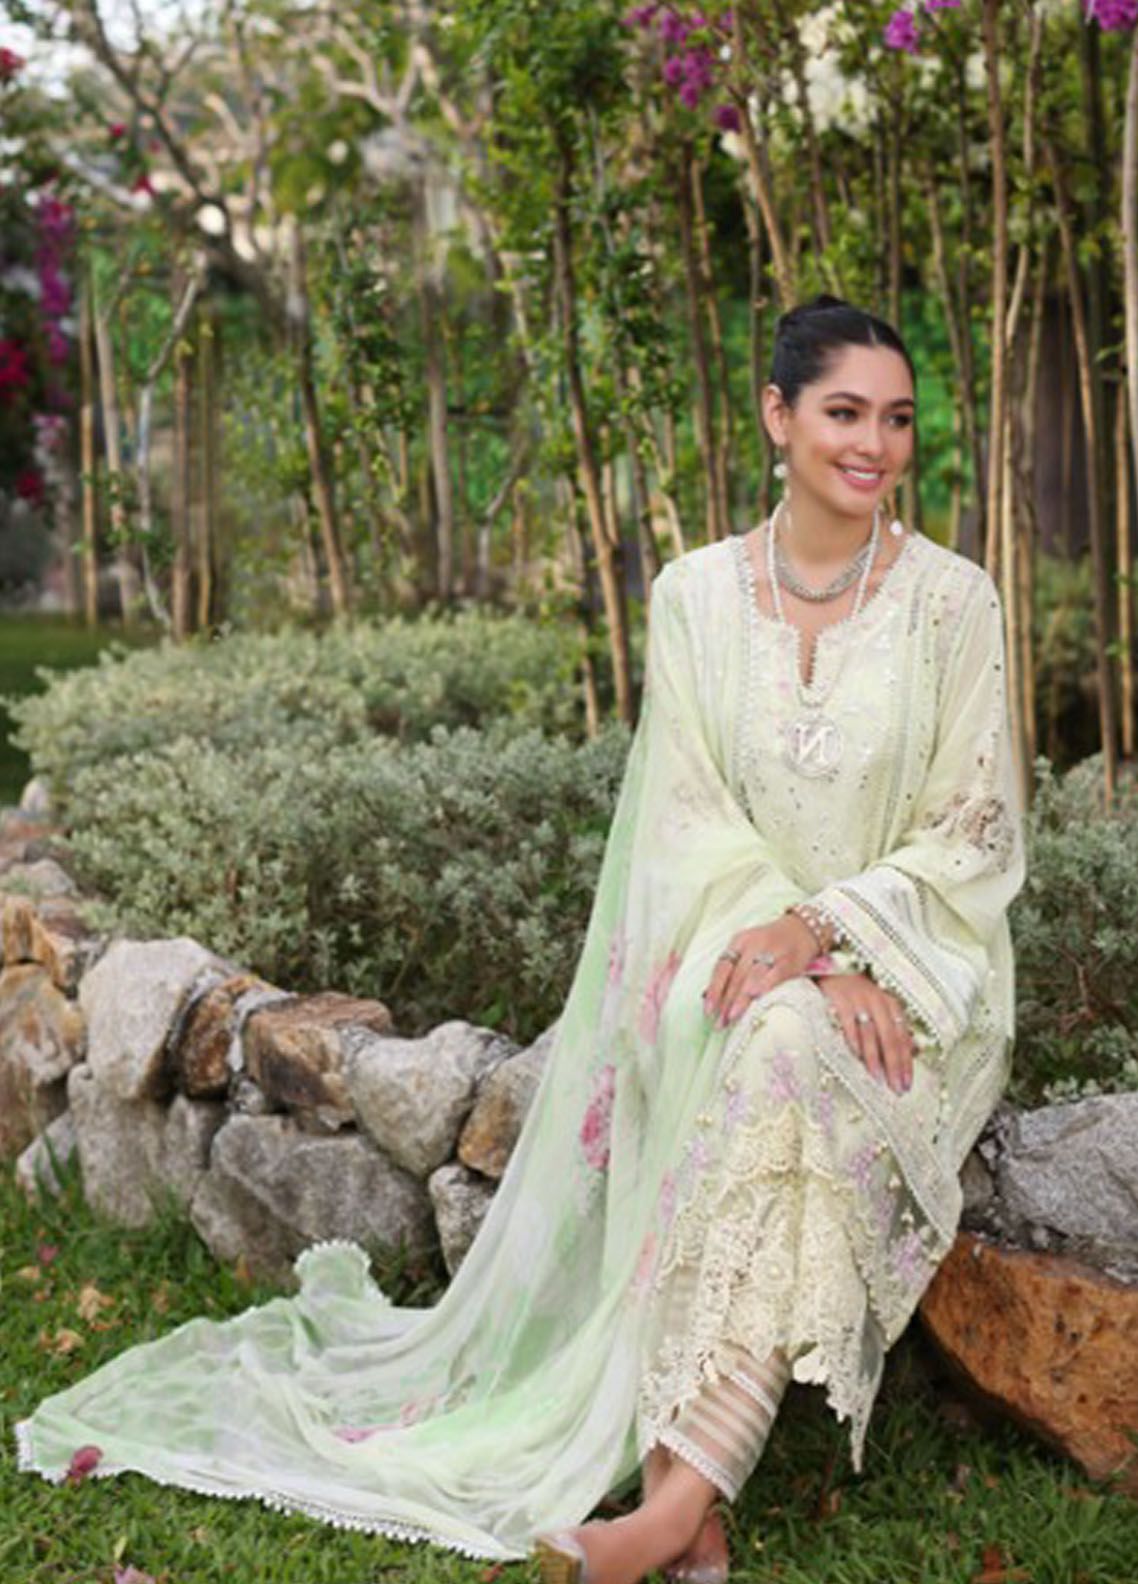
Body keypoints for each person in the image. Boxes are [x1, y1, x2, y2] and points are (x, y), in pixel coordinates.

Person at [17, 296, 1025, 1584]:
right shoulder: (696, 597)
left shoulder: (953, 604)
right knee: (764, 1029)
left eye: (896, 419)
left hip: (915, 972)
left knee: (784, 1044)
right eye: (844, 413)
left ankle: (670, 1505)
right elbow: (682, 821)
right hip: (723, 955)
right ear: (779, 417)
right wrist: (791, 949)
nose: (873, 444)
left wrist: (836, 938)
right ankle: (687, 1501)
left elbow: (974, 828)